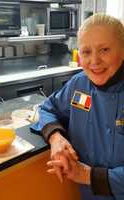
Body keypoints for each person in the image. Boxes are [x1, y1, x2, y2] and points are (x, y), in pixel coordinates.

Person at [31, 13, 124, 200]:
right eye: (86, 52)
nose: (94, 61)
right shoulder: (79, 85)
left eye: (104, 49)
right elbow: (48, 108)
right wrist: (56, 138)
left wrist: (85, 174)